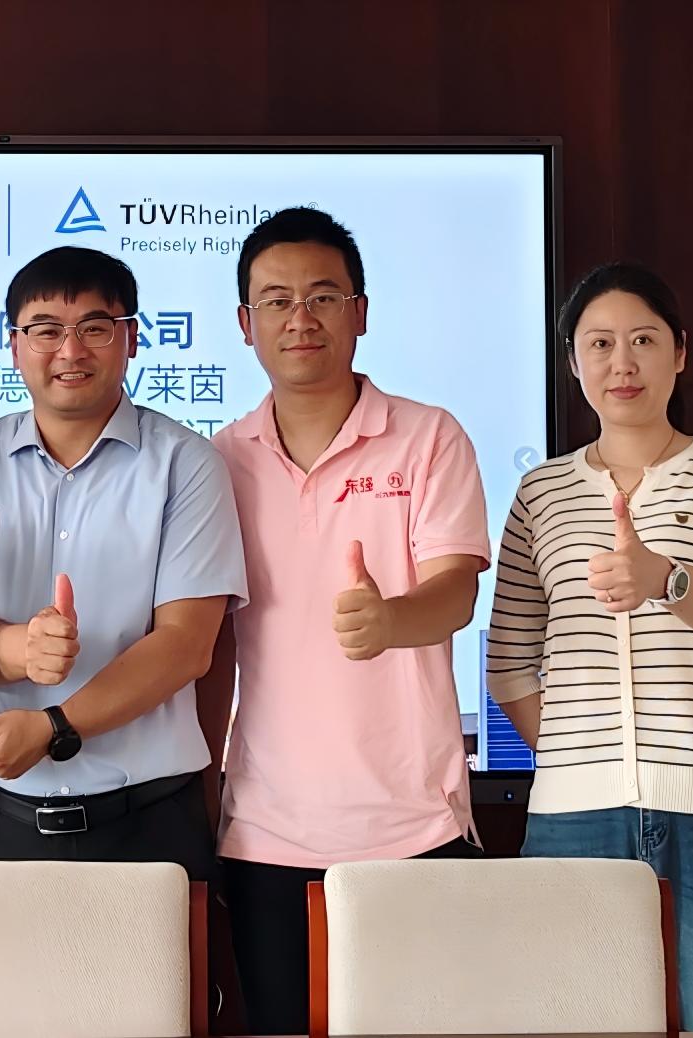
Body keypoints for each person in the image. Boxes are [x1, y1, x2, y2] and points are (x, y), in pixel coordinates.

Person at [0, 246, 247, 884]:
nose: (70, 350)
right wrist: (9, 649)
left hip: (148, 821)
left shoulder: (186, 464)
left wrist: (54, 727)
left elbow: (186, 646)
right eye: (46, 330)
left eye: (95, 328)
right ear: (15, 345)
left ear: (132, 339)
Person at [201, 207, 490, 1033]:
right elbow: (211, 648)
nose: (301, 318)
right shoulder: (217, 461)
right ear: (245, 324)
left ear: (360, 312)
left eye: (323, 297)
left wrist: (392, 619)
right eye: (277, 300)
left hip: (413, 823)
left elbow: (456, 593)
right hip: (265, 830)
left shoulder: (428, 437)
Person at [487, 261, 693, 1033]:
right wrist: (576, 755)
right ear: (573, 362)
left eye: (643, 340)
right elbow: (510, 660)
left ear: (679, 351)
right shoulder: (542, 493)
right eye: (599, 344)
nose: (621, 363)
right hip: (573, 818)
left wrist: (664, 578)